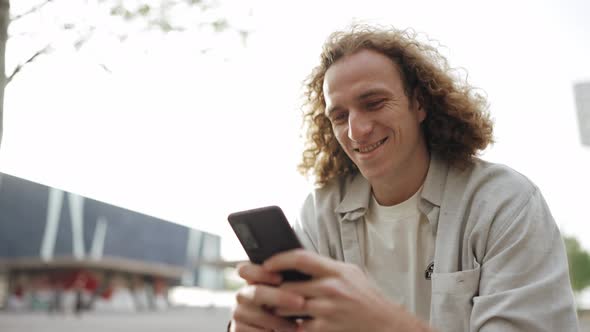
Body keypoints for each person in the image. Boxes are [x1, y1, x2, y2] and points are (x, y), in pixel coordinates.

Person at [230, 25, 579, 332]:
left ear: (419, 103)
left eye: (374, 103)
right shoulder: (321, 212)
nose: (357, 130)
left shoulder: (505, 204)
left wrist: (383, 324)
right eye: (339, 115)